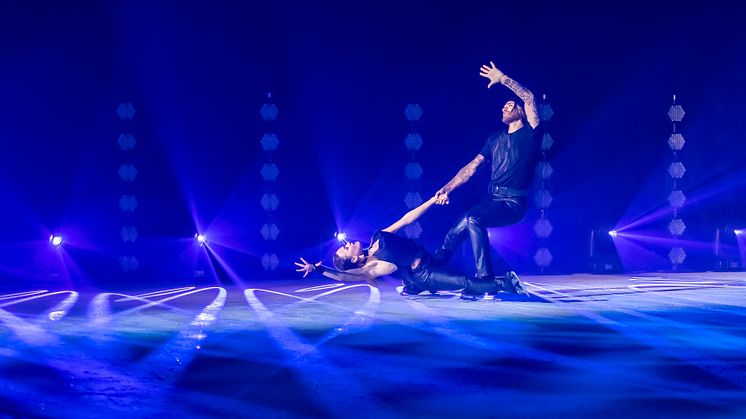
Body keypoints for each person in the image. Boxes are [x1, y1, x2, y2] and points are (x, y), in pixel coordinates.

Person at [432, 62, 541, 296]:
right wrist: (446, 189)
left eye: (511, 104)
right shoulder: (494, 138)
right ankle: (427, 272)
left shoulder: (530, 133)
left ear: (521, 112)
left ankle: (484, 281)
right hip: (493, 201)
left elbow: (529, 97)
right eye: (503, 106)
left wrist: (503, 79)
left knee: (473, 218)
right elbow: (470, 168)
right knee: (455, 232)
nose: (506, 106)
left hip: (513, 204)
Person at [295, 194, 522, 299]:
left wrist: (433, 200)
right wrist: (318, 269)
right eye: (344, 249)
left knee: (458, 230)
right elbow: (346, 278)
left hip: (430, 259)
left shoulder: (379, 237)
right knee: (463, 281)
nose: (346, 244)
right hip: (423, 275)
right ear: (353, 259)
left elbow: (407, 219)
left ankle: (413, 288)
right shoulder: (371, 267)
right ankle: (505, 284)